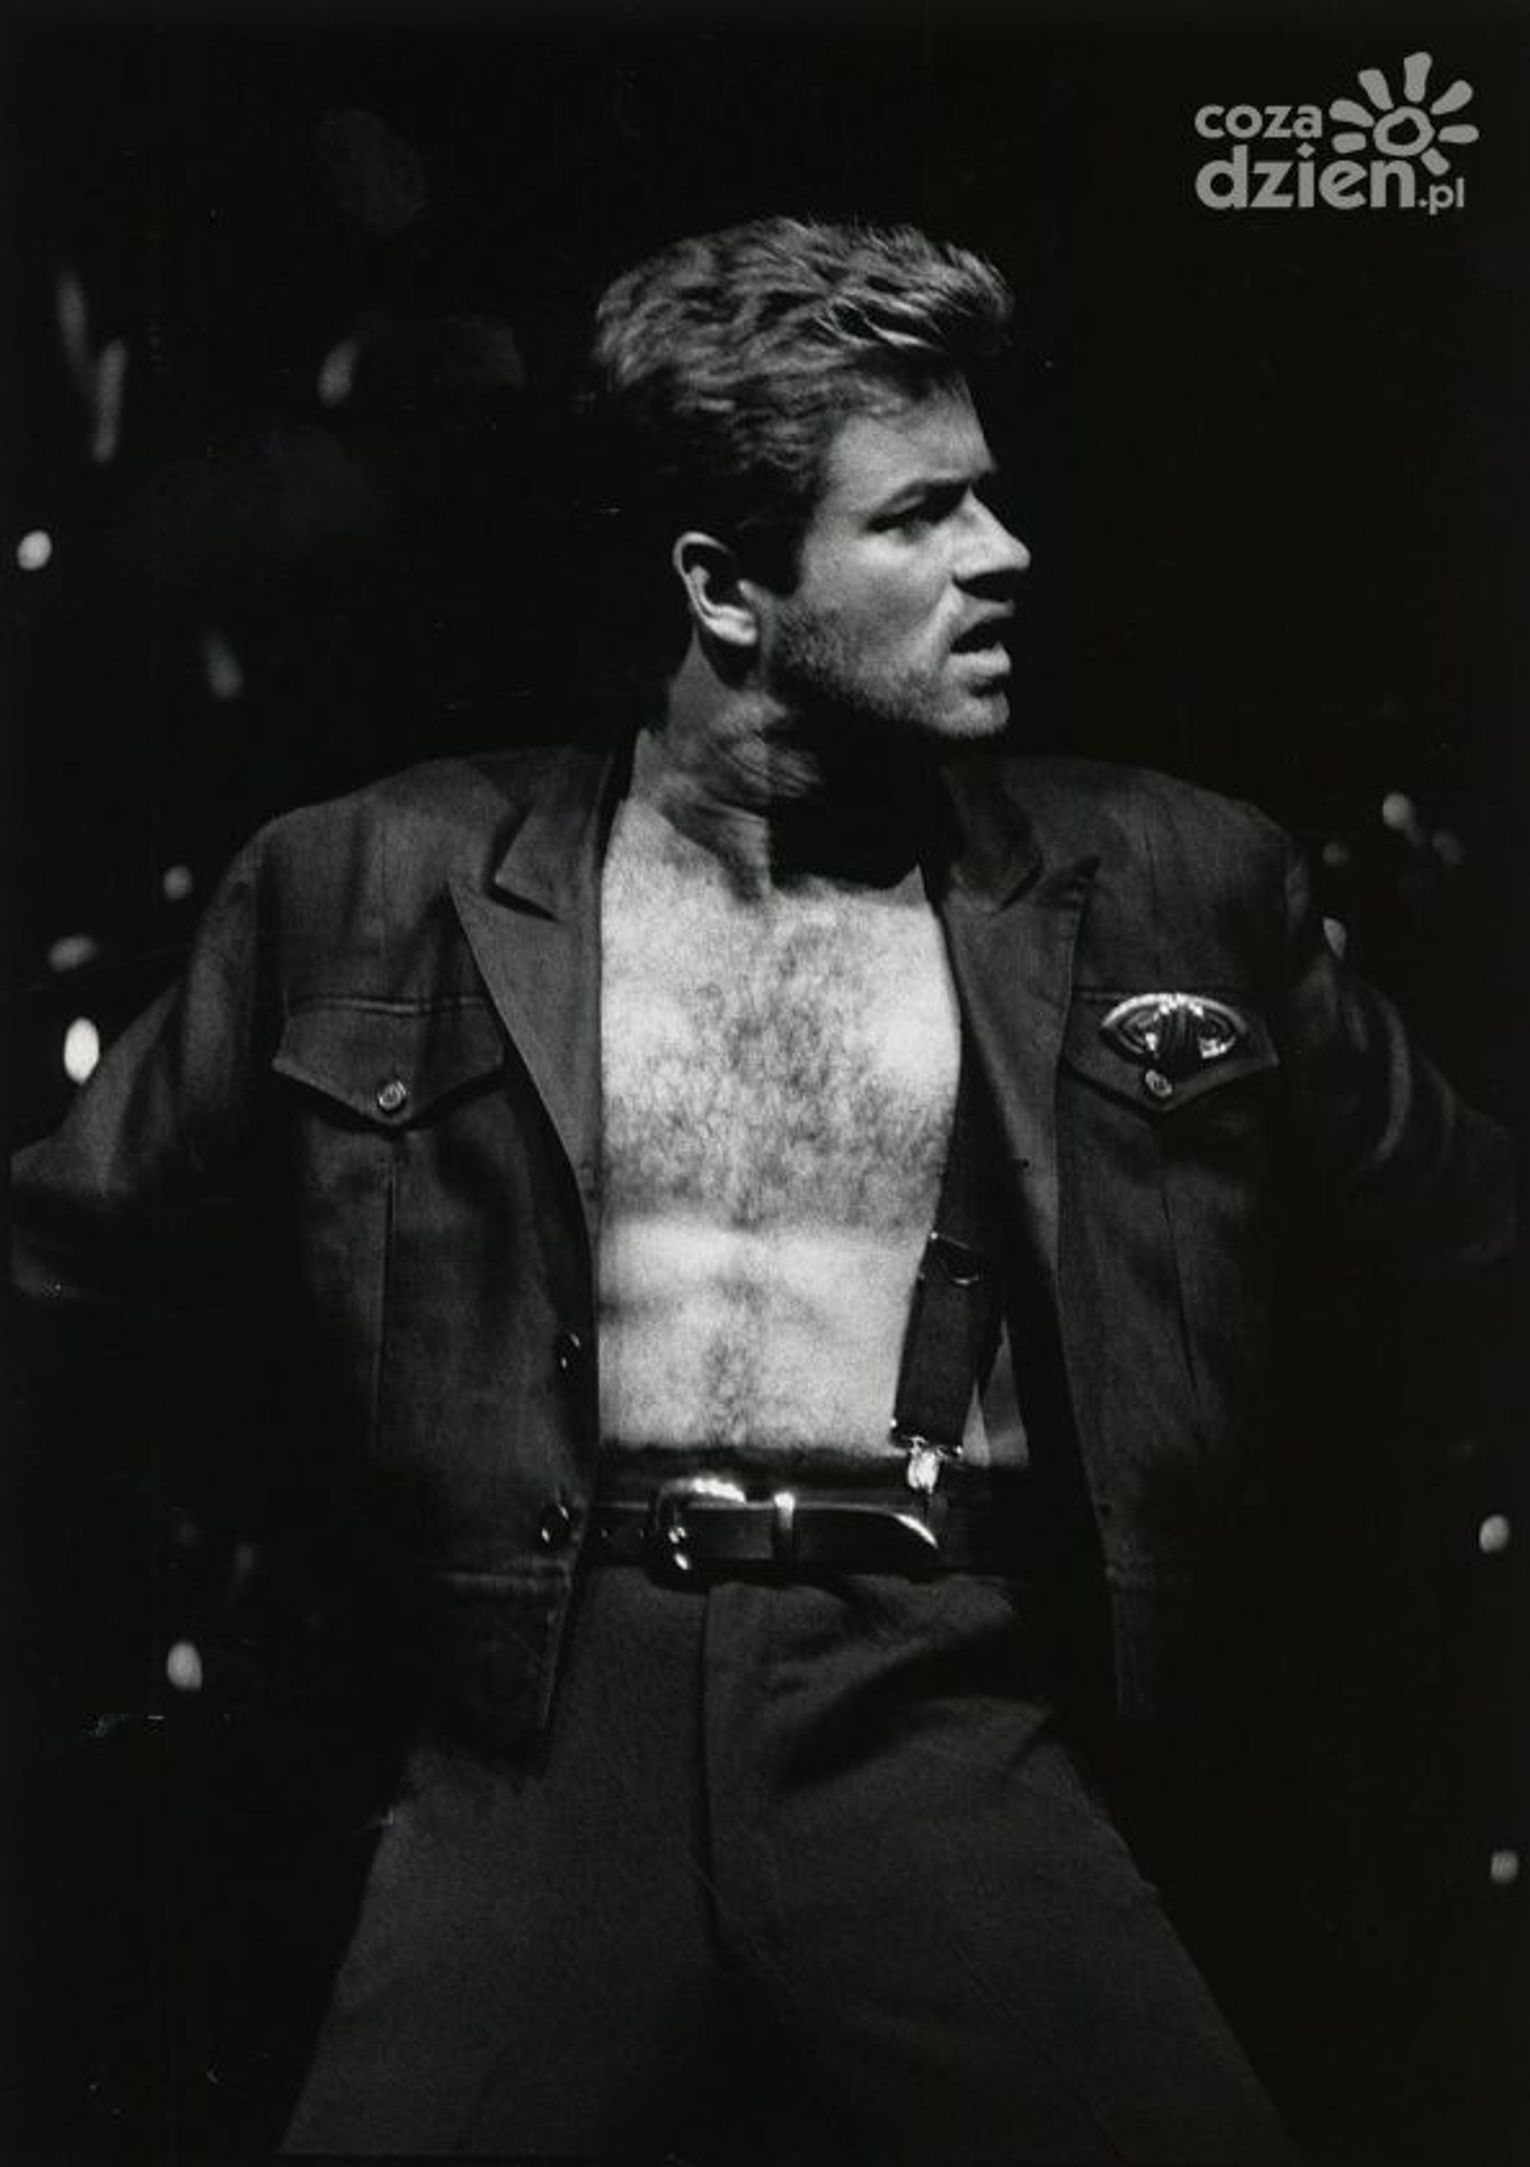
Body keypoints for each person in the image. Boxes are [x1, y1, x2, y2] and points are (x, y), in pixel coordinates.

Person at [12, 216, 1514, 2162]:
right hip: (536, 1721)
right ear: (723, 585)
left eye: (988, 496)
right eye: (920, 516)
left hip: (945, 1699)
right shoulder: (367, 881)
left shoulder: (1174, 882)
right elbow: (55, 1269)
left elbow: (1474, 1249)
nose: (1002, 553)